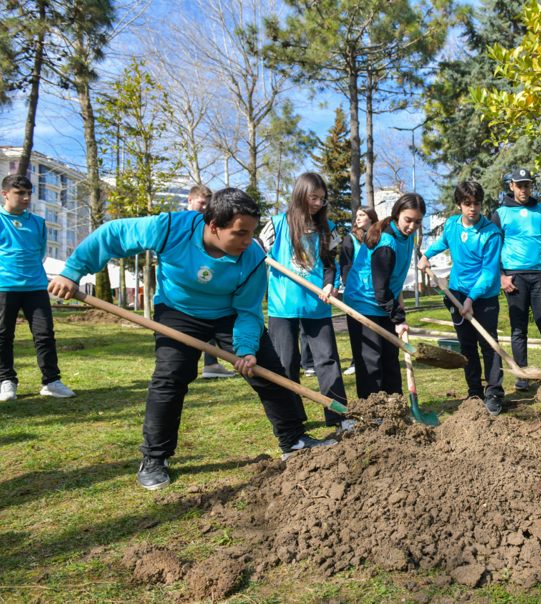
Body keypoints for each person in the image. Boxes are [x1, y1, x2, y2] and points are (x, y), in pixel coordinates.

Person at [48, 188, 335, 491]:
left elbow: (249, 311)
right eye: (240, 233)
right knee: (171, 375)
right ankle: (155, 457)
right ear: (214, 225)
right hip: (178, 310)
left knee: (269, 371)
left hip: (229, 313)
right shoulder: (172, 227)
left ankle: (294, 440)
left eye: (251, 233)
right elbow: (114, 234)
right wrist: (73, 271)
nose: (248, 241)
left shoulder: (252, 257)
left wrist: (247, 350)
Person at [261, 172, 349, 431]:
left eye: (322, 199)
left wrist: (329, 284)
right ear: (300, 194)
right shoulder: (276, 224)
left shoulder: (329, 228)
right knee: (286, 363)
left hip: (317, 304)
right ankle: (291, 422)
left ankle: (339, 416)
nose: (318, 203)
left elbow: (330, 264)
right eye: (313, 197)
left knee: (328, 360)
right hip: (282, 305)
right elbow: (255, 250)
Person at [418, 181, 504, 414]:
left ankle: (494, 392)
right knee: (467, 346)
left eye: (476, 203)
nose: (472, 208)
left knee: (489, 345)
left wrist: (472, 299)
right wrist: (427, 255)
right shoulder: (451, 225)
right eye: (467, 204)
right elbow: (444, 242)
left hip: (483, 297)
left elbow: (489, 273)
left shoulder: (492, 233)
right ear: (459, 205)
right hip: (456, 293)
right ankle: (474, 392)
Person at [0, 174, 75, 401]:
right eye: (19, 193)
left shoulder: (38, 223)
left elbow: (40, 254)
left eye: (28, 193)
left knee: (44, 335)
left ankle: (51, 381)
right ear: (5, 194)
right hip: (4, 287)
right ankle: (6, 381)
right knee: (3, 336)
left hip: (35, 287)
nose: (26, 198)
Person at [343, 194, 425, 399]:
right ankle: (373, 413)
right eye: (408, 220)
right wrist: (398, 318)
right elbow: (380, 289)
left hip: (384, 299)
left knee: (390, 356)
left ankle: (395, 405)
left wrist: (398, 310)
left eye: (418, 221)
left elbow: (391, 281)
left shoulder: (407, 236)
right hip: (363, 301)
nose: (412, 226)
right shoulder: (386, 244)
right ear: (397, 215)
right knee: (371, 360)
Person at [489, 168, 541, 391]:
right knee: (518, 329)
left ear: (532, 186)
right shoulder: (500, 214)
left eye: (527, 185)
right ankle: (522, 376)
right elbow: (493, 248)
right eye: (519, 185)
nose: (523, 189)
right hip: (514, 278)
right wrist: (501, 276)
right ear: (511, 186)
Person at [186, 185, 236, 379]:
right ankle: (207, 365)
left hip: (209, 283)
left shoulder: (210, 225)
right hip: (187, 292)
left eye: (209, 205)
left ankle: (212, 364)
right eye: (202, 203)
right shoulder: (178, 225)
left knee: (213, 321)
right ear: (189, 201)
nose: (205, 208)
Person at [339, 206, 378, 376]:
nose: (357, 219)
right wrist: (350, 287)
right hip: (356, 292)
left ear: (371, 217)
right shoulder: (351, 239)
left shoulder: (379, 237)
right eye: (356, 216)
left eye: (362, 215)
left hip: (375, 293)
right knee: (358, 330)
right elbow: (345, 266)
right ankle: (356, 361)